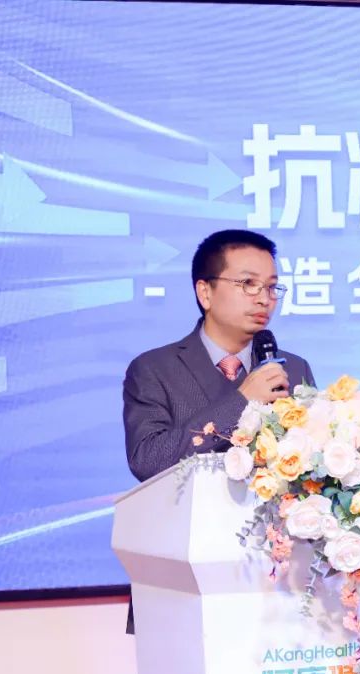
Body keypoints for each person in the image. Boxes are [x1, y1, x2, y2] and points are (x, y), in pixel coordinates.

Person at [121, 229, 315, 632]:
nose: (264, 299)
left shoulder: (293, 369)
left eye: (272, 287)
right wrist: (241, 400)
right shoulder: (154, 370)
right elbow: (148, 460)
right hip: (185, 586)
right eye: (248, 284)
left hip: (280, 588)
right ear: (205, 292)